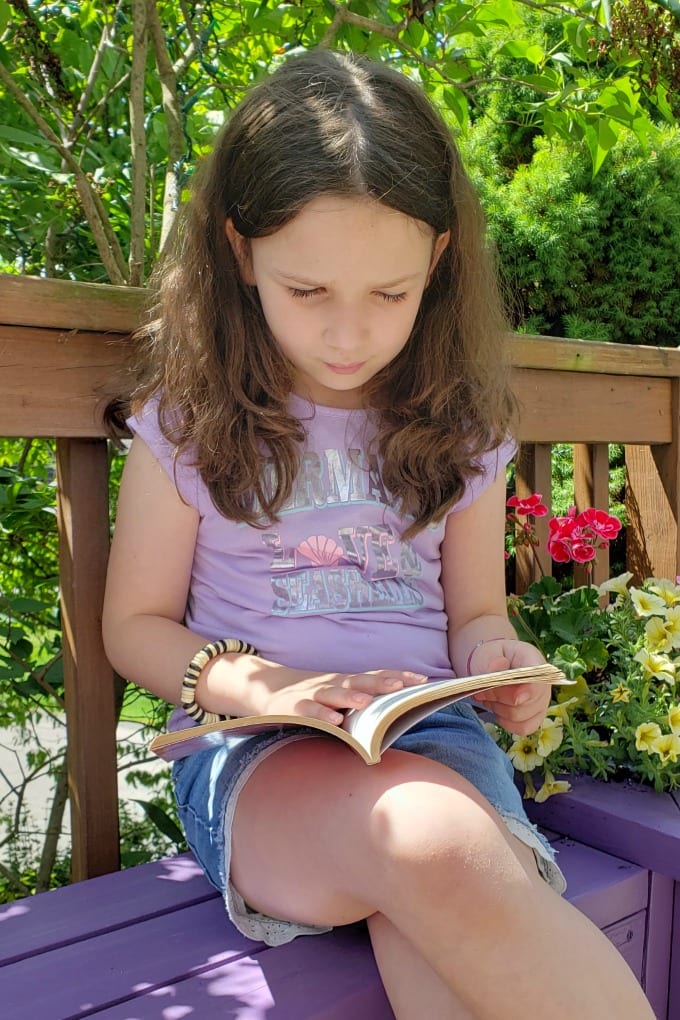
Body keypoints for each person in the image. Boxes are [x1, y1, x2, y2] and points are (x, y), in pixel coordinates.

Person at [102, 49, 654, 1020]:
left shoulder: (463, 426)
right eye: (307, 292)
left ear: (436, 259)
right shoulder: (189, 419)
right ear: (240, 254)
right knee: (430, 844)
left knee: (434, 896)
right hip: (259, 753)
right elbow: (135, 626)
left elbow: (474, 613)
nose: (347, 334)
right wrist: (279, 689)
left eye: (387, 295)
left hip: (430, 735)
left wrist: (502, 659)